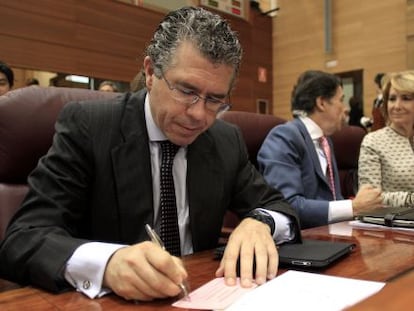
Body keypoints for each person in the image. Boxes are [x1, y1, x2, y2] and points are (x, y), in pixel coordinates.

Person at [0, 7, 300, 302]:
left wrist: (260, 222)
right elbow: (23, 239)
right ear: (150, 73)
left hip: (203, 293)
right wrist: (108, 263)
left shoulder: (224, 139)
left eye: (215, 100)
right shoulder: (90, 127)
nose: (198, 115)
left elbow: (278, 206)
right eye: (185, 90)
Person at [257, 70, 383, 229]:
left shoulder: (325, 141)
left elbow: (334, 199)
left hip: (333, 235)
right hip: (303, 244)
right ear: (322, 103)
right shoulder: (284, 137)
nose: (346, 109)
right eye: (341, 100)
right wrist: (353, 207)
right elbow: (286, 206)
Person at [359, 70, 414, 207]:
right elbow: (369, 197)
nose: (397, 106)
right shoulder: (373, 141)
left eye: (406, 98)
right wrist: (411, 199)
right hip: (393, 223)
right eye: (392, 99)